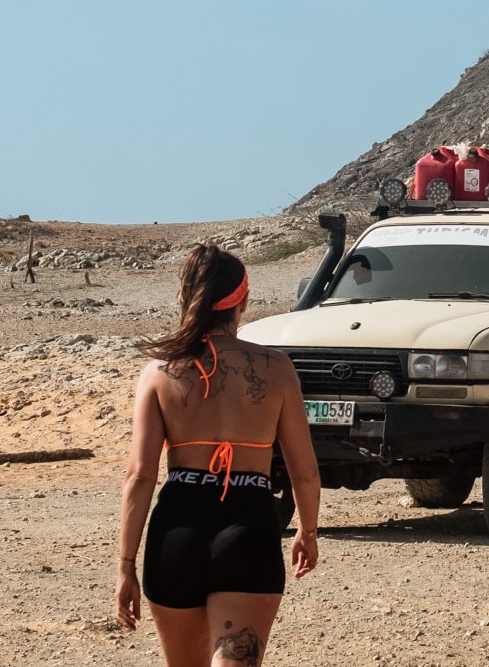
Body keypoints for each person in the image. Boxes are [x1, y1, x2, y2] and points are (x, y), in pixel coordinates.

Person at [116, 246, 321, 664]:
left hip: (177, 530)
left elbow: (139, 475)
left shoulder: (159, 372)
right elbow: (304, 470)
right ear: (243, 301)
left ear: (185, 297)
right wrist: (308, 531)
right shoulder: (276, 368)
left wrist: (125, 565)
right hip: (248, 526)